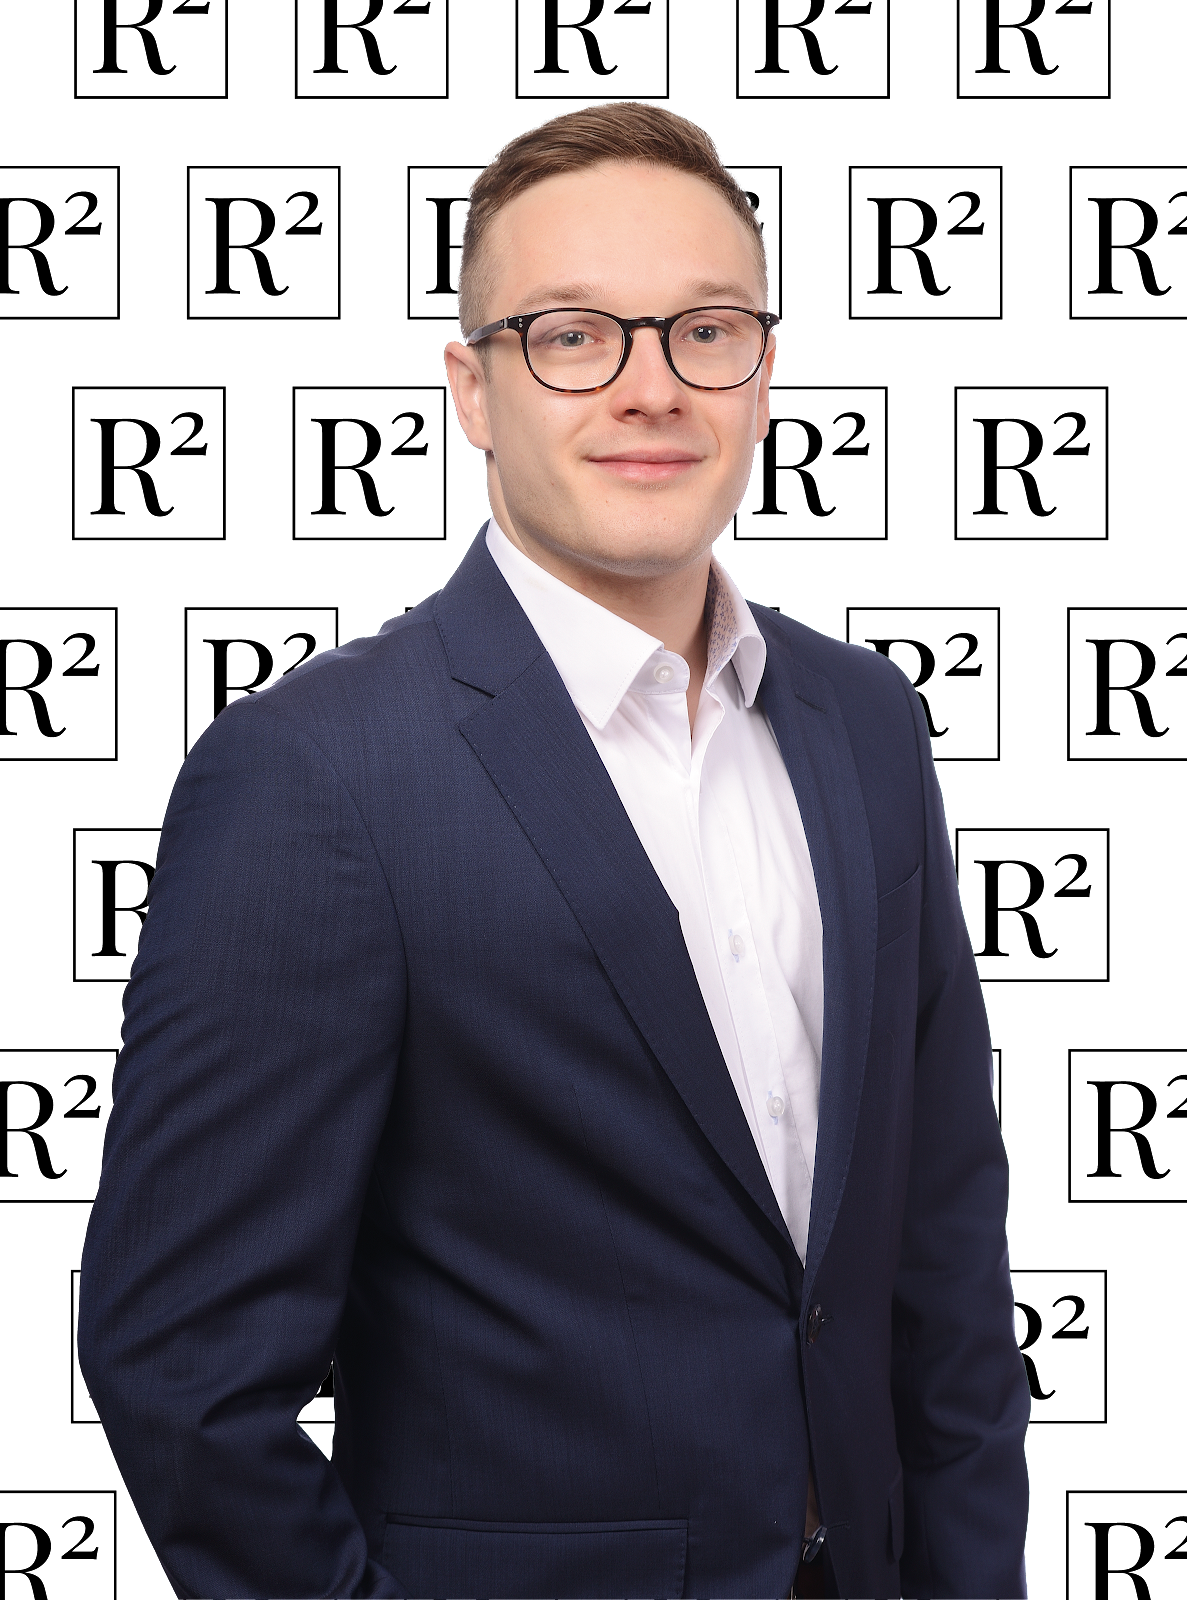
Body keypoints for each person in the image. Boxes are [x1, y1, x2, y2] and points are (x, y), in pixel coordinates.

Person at [76, 101, 1031, 1599]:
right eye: (572, 335)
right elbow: (181, 1363)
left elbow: (944, 1251)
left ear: (763, 377)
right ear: (472, 389)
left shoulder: (868, 717)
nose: (651, 387)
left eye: (704, 332)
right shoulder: (315, 772)